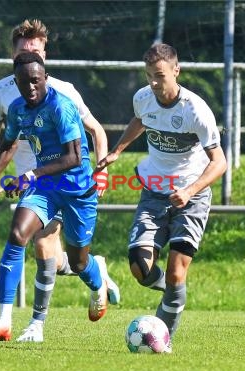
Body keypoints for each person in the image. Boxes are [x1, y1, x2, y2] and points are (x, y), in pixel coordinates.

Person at [0, 19, 119, 343]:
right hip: (37, 184)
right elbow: (0, 141)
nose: (29, 57)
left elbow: (93, 135)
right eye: (22, 51)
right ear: (13, 56)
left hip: (70, 183)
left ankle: (95, 276)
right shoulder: (5, 96)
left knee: (68, 258)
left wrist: (101, 171)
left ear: (44, 58)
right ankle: (12, 322)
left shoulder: (63, 97)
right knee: (23, 238)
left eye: (35, 51)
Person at [95, 43, 227, 351]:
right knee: (139, 268)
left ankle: (161, 339)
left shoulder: (195, 110)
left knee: (176, 271)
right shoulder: (143, 98)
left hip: (191, 198)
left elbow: (220, 162)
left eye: (159, 76)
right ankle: (172, 294)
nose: (154, 83)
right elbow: (140, 120)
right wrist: (117, 151)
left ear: (176, 71)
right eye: (149, 76)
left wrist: (190, 190)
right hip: (154, 192)